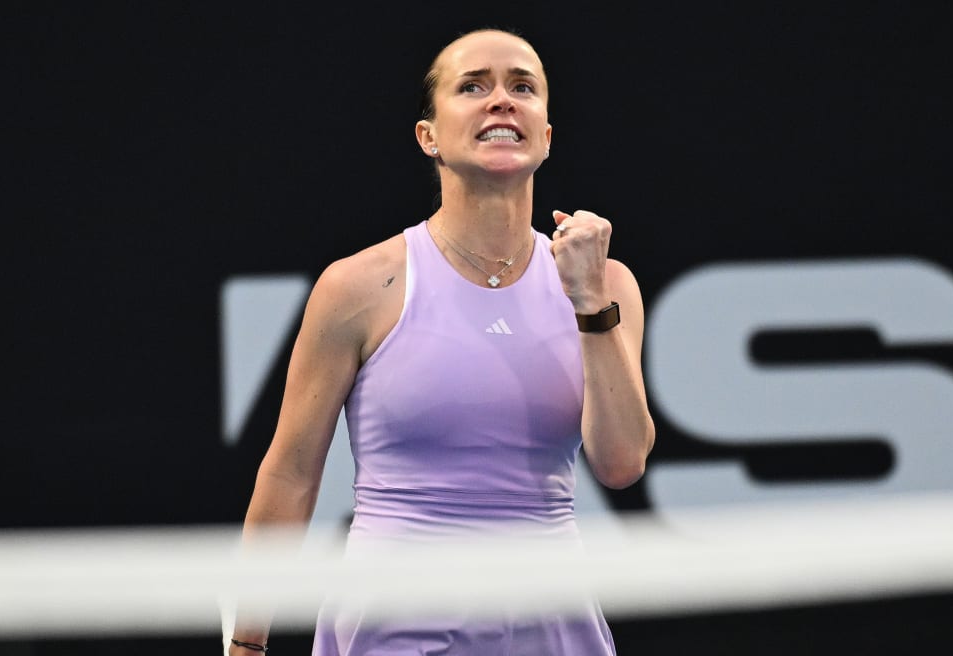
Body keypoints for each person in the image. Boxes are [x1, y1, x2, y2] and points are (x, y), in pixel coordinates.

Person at [229, 27, 655, 656]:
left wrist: (590, 304)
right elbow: (291, 473)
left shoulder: (607, 283)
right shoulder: (358, 287)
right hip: (394, 624)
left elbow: (621, 464)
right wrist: (246, 644)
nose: (501, 101)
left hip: (550, 625)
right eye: (473, 87)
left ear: (545, 137)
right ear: (429, 137)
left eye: (522, 87)